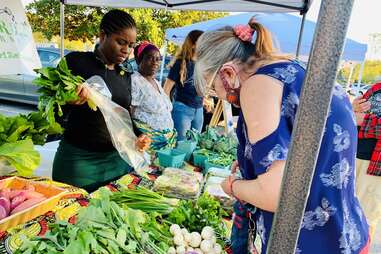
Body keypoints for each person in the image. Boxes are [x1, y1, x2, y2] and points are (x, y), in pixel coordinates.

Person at [193, 19, 370, 253]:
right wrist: (251, 160)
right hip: (347, 234)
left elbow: (276, 194)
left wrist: (234, 186)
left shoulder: (257, 85)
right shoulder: (293, 69)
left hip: (312, 244)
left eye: (213, 88)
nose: (218, 97)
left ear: (228, 72)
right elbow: (308, 154)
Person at [52, 10, 150, 193]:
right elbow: (50, 111)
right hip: (78, 163)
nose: (126, 50)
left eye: (130, 45)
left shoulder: (125, 76)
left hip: (115, 162)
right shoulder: (75, 62)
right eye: (121, 42)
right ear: (103, 35)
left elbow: (123, 115)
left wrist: (138, 136)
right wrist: (67, 101)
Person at [130, 42, 176, 151]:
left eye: (158, 58)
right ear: (139, 60)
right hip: (147, 145)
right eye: (150, 58)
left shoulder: (155, 82)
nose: (155, 62)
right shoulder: (135, 81)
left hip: (165, 145)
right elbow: (129, 112)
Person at [352, 76, 381, 240]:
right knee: (340, 213)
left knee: (364, 219)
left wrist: (363, 120)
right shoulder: (376, 88)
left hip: (376, 170)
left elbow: (359, 120)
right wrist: (354, 108)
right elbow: (352, 117)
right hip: (352, 157)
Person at [164, 30, 205, 140]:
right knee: (181, 145)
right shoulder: (180, 63)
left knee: (195, 144)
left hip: (199, 109)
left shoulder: (202, 63)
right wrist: (168, 109)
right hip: (182, 109)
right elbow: (166, 89)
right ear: (193, 44)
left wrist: (207, 99)